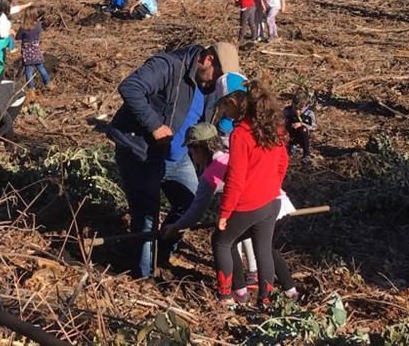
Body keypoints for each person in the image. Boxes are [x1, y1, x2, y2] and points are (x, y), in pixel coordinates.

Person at [107, 41, 241, 278]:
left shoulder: (211, 89)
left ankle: (162, 250)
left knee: (190, 204)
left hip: (178, 158)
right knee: (147, 215)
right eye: (217, 76)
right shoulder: (169, 66)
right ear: (208, 59)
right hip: (142, 153)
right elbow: (131, 87)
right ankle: (144, 275)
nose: (216, 83)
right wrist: (154, 126)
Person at [160, 121, 298, 302]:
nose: (191, 156)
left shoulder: (211, 174)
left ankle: (231, 295)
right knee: (264, 248)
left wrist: (175, 227)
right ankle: (288, 292)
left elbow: (195, 212)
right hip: (279, 204)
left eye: (191, 151)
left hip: (256, 205)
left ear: (200, 149)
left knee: (222, 241)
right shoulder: (231, 151)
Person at [212, 80, 287, 306]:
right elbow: (283, 161)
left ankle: (226, 296)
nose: (225, 113)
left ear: (235, 103)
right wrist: (273, 185)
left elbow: (235, 178)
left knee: (221, 241)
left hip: (249, 204)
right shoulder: (273, 128)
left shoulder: (240, 135)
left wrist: (225, 213)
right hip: (271, 201)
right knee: (263, 248)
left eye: (226, 108)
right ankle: (266, 300)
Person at [17, 7, 50, 90]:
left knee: (28, 71)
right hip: (36, 49)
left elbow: (18, 37)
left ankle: (31, 89)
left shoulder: (23, 27)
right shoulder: (38, 25)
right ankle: (48, 83)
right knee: (41, 67)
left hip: (27, 52)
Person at [283, 91, 316, 164]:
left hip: (302, 135)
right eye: (295, 108)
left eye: (300, 109)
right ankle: (288, 148)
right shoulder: (287, 111)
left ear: (306, 106)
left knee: (303, 130)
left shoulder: (309, 114)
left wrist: (302, 124)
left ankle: (306, 154)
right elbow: (281, 122)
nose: (297, 112)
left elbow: (313, 126)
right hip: (289, 133)